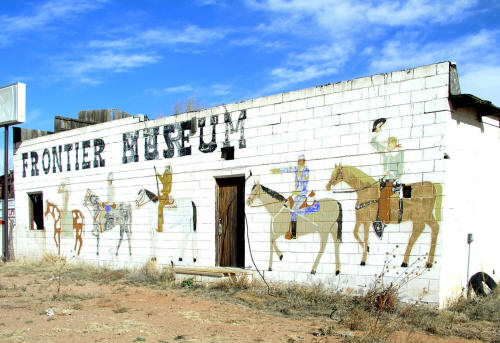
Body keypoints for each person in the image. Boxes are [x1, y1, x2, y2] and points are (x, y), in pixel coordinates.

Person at [370, 118, 404, 229]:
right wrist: (377, 132)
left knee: (384, 197)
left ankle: (384, 220)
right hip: (384, 180)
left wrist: (391, 173)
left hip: (392, 181)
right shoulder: (386, 153)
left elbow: (400, 170)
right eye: (388, 143)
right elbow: (373, 143)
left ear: (394, 144)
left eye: (390, 144)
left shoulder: (399, 154)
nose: (388, 145)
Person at [271, 154, 309, 239]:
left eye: (301, 161)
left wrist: (296, 191)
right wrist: (277, 170)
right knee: (286, 205)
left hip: (301, 194)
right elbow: (288, 169)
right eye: (298, 161)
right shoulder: (297, 169)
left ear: (304, 162)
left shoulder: (306, 171)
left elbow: (303, 184)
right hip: (296, 195)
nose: (299, 163)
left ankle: (294, 234)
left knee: (293, 210)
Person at [156, 164, 174, 233]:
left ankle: (160, 228)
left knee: (160, 207)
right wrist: (157, 174)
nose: (165, 168)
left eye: (166, 167)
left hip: (166, 194)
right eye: (165, 167)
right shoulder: (165, 174)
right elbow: (162, 181)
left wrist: (163, 191)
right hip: (163, 193)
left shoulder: (169, 175)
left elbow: (167, 186)